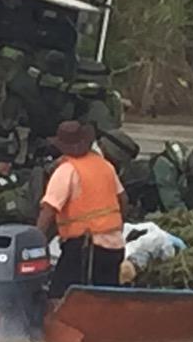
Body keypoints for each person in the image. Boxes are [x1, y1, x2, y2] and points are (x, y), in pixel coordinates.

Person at [36, 121, 127, 298]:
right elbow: (124, 199)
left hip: (85, 248)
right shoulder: (105, 166)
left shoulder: (66, 170)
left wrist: (35, 242)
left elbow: (48, 211)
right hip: (115, 247)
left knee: (61, 295)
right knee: (106, 298)